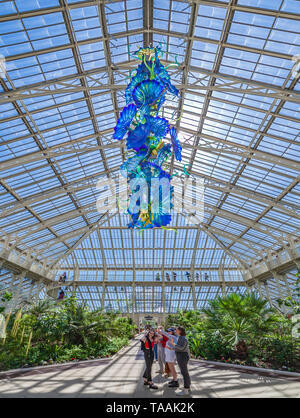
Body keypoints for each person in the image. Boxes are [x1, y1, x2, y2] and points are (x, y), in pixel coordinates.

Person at [169, 326, 191, 396]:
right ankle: (187, 387)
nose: (175, 331)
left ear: (180, 331)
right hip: (182, 356)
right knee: (185, 372)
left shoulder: (183, 338)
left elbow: (181, 348)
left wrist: (173, 344)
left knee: (184, 373)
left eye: (176, 330)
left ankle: (186, 389)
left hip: (182, 357)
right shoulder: (180, 337)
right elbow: (180, 347)